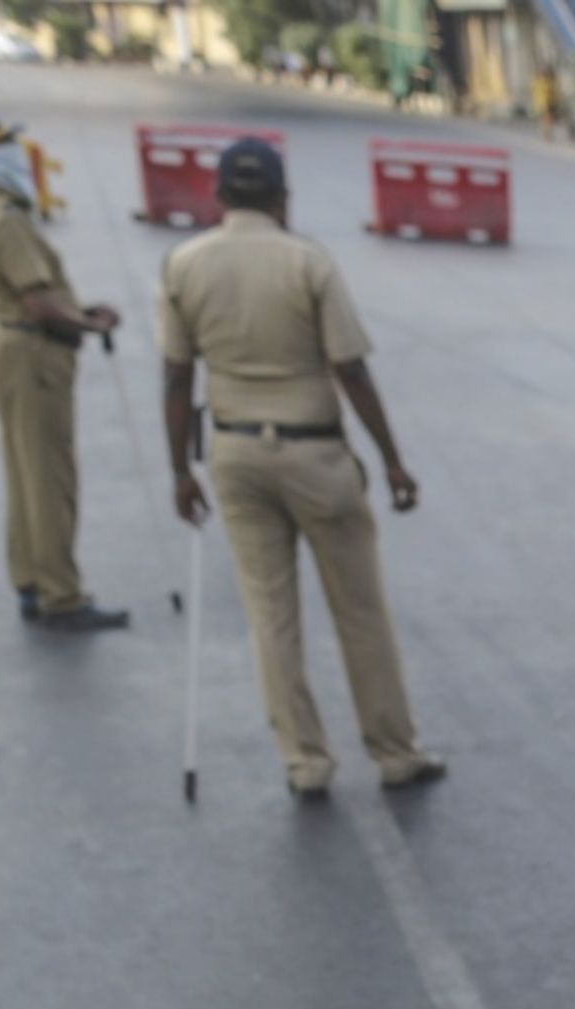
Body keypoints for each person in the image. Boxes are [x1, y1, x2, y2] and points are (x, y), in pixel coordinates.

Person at [158, 138, 445, 803]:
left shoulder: (183, 264)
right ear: (282, 199)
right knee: (360, 611)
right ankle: (394, 752)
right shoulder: (306, 262)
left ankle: (304, 761)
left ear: (219, 196)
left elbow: (175, 378)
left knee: (271, 616)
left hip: (235, 456)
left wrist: (180, 472)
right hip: (315, 454)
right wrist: (392, 461)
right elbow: (350, 369)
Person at [0, 107, 126, 634]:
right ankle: (60, 594)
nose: (14, 151)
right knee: (49, 478)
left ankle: (29, 579)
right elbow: (38, 302)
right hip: (31, 352)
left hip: (6, 344)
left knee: (24, 471)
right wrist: (89, 323)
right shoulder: (5, 218)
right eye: (0, 142)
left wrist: (76, 312)